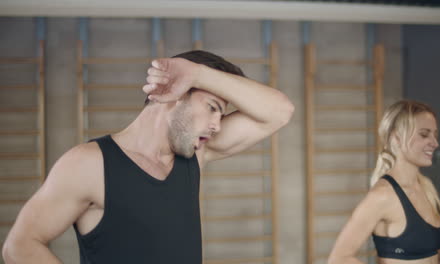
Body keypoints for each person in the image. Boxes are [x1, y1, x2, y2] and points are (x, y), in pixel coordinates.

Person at [2, 50, 294, 264]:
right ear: (175, 94)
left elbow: (280, 112)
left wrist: (198, 73)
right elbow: (20, 246)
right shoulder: (88, 164)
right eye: (213, 107)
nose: (217, 125)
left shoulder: (196, 154)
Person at [328, 100, 440, 264]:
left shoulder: (426, 188)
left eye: (435, 135)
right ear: (397, 138)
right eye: (424, 134)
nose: (435, 143)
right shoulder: (383, 195)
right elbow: (339, 258)